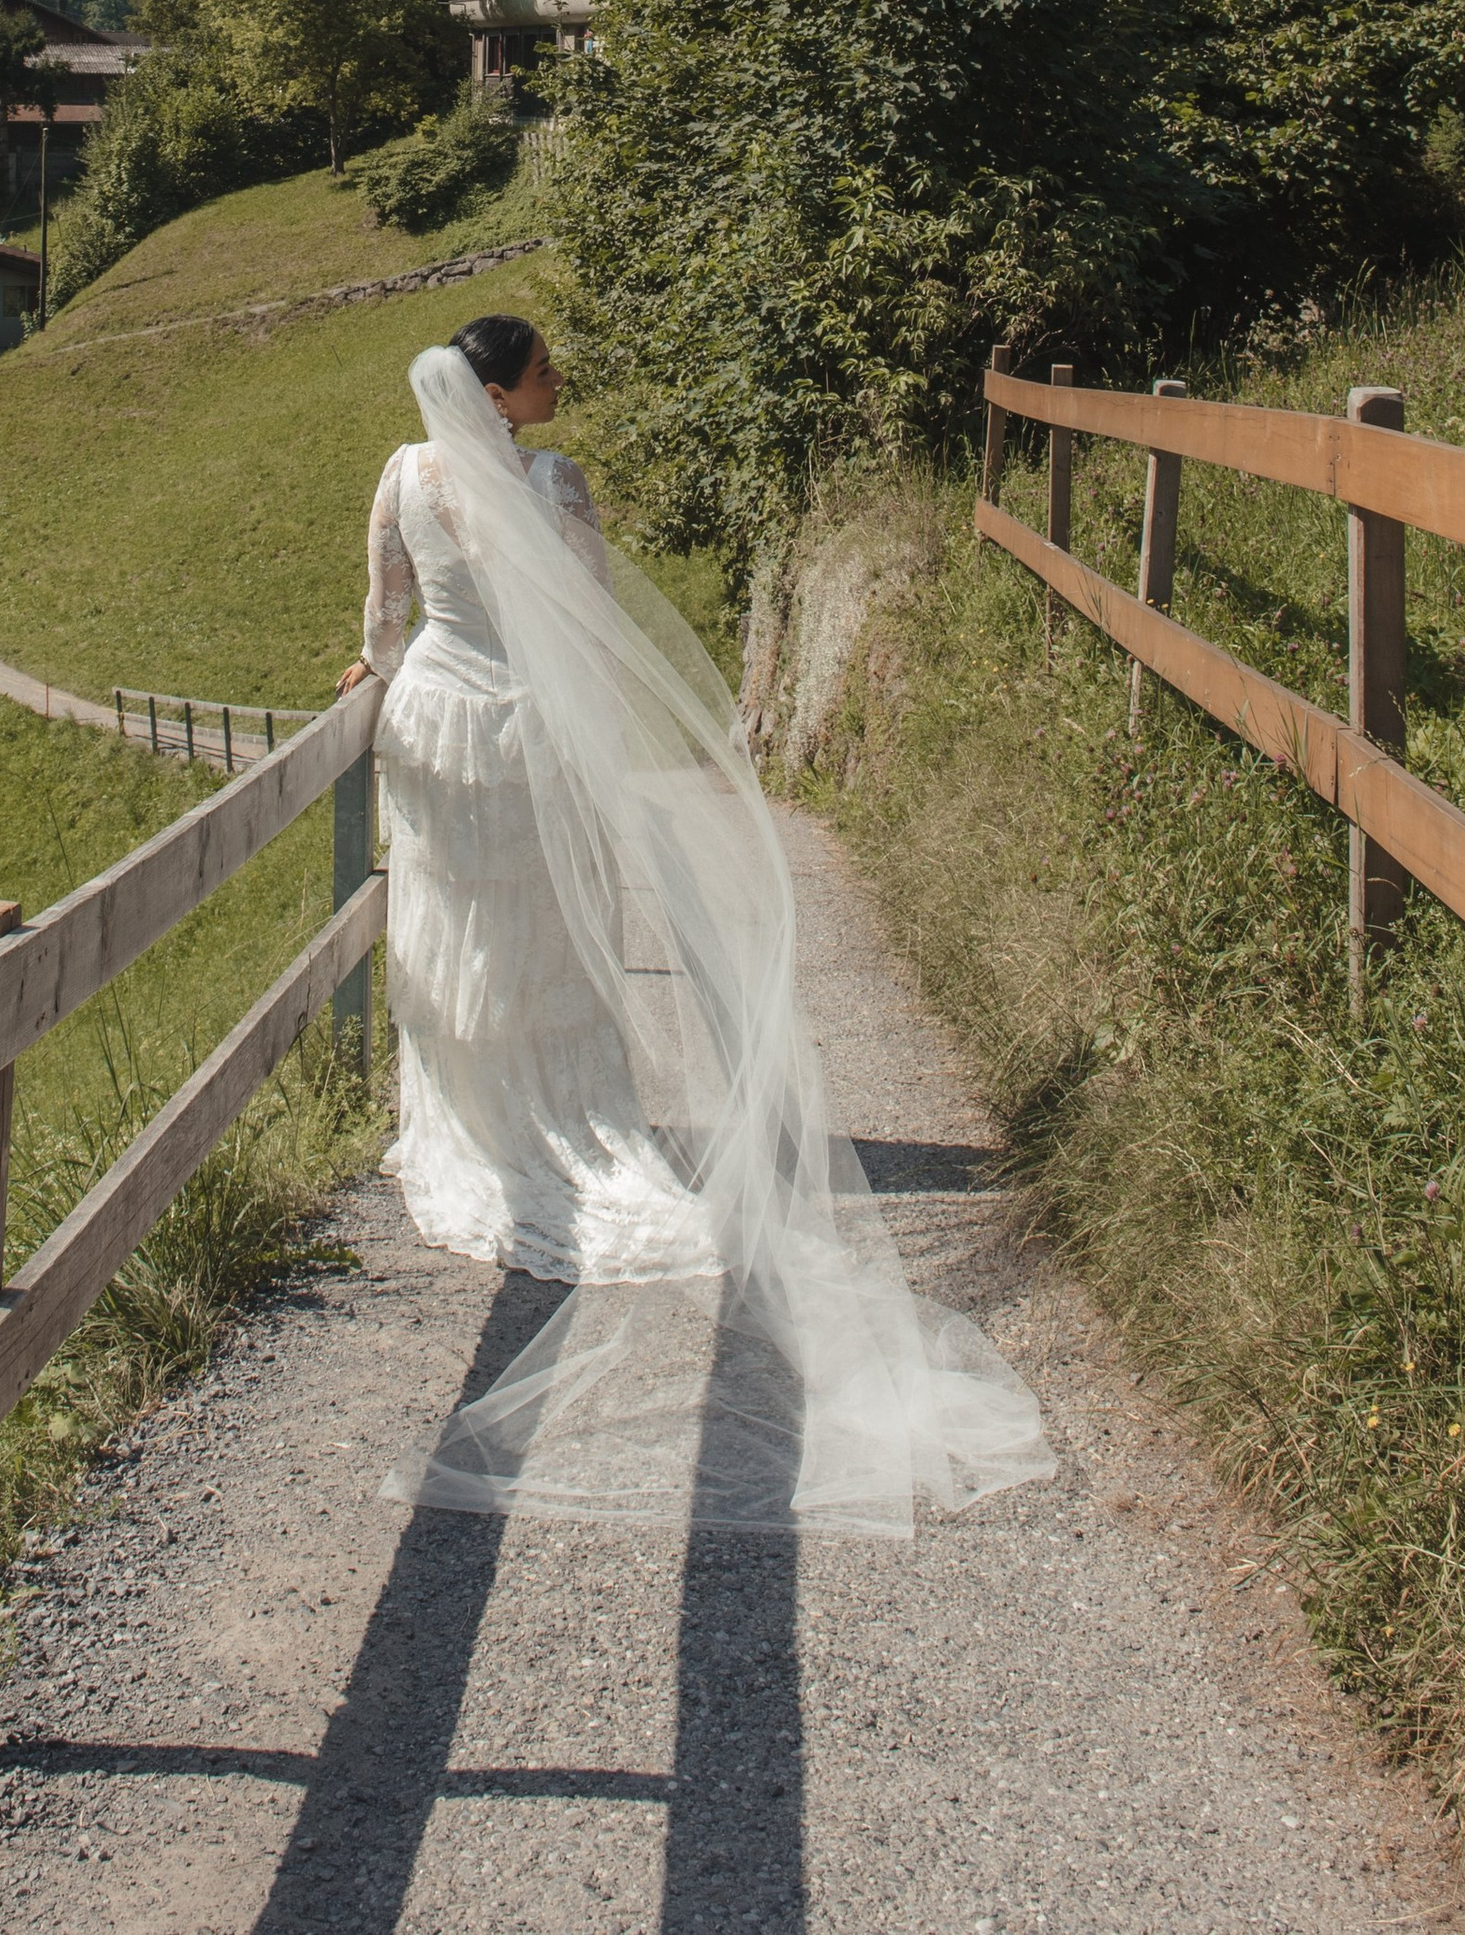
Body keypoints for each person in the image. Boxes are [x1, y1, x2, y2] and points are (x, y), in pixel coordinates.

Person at [338, 316, 1051, 1538]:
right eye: (545, 368)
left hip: (441, 722)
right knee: (550, 932)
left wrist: (369, 671)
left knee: (455, 932)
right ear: (502, 395)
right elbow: (589, 621)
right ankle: (562, 1123)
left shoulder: (404, 477)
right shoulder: (555, 484)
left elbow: (383, 610)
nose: (562, 378)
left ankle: (473, 1123)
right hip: (531, 733)